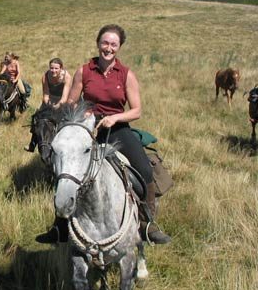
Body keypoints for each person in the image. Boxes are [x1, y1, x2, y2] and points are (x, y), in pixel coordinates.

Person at [36, 24, 171, 245]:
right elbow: (70, 102)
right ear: (98, 43)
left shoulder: (126, 74)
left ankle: (147, 224)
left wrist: (115, 118)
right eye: (105, 43)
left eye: (113, 44)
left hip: (117, 128)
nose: (108, 48)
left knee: (145, 170)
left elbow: (137, 110)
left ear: (119, 47)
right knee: (65, 169)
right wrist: (81, 110)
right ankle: (60, 226)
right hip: (88, 128)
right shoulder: (84, 71)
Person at [25, 57, 72, 152]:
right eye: (51, 68)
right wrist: (48, 106)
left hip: (64, 100)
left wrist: (57, 106)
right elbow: (45, 95)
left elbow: (64, 98)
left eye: (56, 68)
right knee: (37, 117)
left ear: (61, 68)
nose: (53, 70)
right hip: (50, 99)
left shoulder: (67, 77)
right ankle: (32, 143)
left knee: (69, 119)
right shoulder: (45, 76)